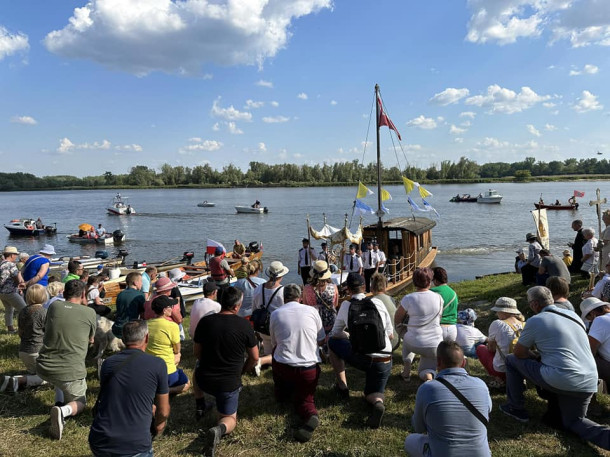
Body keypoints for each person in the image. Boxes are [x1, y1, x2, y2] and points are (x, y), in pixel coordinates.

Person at [501, 286, 610, 450]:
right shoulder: (574, 316)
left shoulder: (536, 320)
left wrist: (535, 357)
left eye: (530, 303)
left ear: (535, 304)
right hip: (588, 380)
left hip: (561, 377)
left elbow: (519, 353)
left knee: (510, 360)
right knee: (575, 421)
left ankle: (516, 408)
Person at [89, 320, 170, 457]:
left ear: (123, 338)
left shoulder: (108, 363)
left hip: (99, 440)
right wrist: (158, 426)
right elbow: (163, 411)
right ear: (147, 337)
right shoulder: (158, 364)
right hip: (135, 446)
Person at [193, 287, 259, 457]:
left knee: (197, 367)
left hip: (203, 379)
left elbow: (197, 352)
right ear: (237, 306)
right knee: (229, 418)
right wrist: (243, 371)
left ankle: (200, 403)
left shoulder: (205, 322)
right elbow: (254, 357)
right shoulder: (244, 325)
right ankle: (220, 429)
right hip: (228, 383)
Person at [328, 273, 394, 428]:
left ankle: (342, 386)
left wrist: (348, 334)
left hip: (363, 358)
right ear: (365, 287)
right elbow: (390, 335)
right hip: (384, 359)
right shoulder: (378, 302)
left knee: (332, 343)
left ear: (348, 290)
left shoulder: (346, 305)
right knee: (372, 394)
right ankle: (377, 402)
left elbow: (334, 333)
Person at [404, 341, 492, 457]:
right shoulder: (481, 385)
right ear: (464, 362)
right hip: (481, 454)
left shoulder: (427, 388)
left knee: (410, 440)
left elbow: (418, 427)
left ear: (438, 362)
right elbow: (487, 411)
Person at [36, 279, 97, 440]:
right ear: (83, 294)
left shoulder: (54, 306)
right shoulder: (89, 313)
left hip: (43, 366)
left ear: (63, 293)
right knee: (81, 402)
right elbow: (92, 339)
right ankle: (63, 411)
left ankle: (59, 402)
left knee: (60, 378)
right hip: (70, 372)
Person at [270, 284, 325, 442]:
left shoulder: (275, 314)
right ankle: (310, 414)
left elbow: (274, 343)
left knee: (275, 354)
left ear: (283, 298)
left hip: (284, 368)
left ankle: (281, 393)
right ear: (300, 297)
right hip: (309, 369)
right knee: (305, 400)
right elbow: (321, 340)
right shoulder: (312, 311)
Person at [395, 267, 443, 382]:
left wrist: (402, 330)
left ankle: (406, 370)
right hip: (434, 344)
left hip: (413, 343)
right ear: (430, 280)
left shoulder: (408, 298)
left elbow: (397, 318)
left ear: (415, 281)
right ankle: (428, 377)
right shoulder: (439, 298)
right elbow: (439, 318)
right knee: (426, 369)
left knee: (406, 336)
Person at [0, 284, 48, 392]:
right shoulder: (44, 312)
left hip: (23, 351)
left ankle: (12, 381)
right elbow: (49, 333)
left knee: (34, 372)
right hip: (38, 351)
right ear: (44, 296)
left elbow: (20, 332)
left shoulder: (22, 312)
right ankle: (18, 380)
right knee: (49, 378)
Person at [475, 297, 525, 388]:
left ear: (504, 312)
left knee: (481, 348)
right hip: (523, 370)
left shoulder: (498, 324)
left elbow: (491, 349)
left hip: (502, 370)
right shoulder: (524, 324)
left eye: (497, 311)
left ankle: (499, 379)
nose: (496, 313)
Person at [145, 295, 190, 395]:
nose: (172, 309)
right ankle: (165, 390)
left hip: (150, 371)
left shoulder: (145, 324)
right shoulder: (172, 326)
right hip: (168, 371)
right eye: (170, 307)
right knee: (187, 384)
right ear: (165, 310)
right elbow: (177, 350)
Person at [252, 261, 289, 372]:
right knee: (280, 351)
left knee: (268, 346)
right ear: (281, 276)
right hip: (277, 326)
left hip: (262, 326)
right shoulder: (283, 291)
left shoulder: (258, 289)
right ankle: (262, 361)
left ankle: (264, 361)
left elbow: (254, 309)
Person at [302, 260, 339, 342]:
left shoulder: (307, 288)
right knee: (330, 342)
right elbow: (335, 304)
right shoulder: (334, 287)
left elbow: (305, 305)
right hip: (330, 319)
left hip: (314, 320)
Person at [582, 297, 610, 386]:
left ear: (592, 313)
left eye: (589, 318)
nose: (590, 321)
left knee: (582, 358)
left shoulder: (600, 320)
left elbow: (589, 351)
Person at [0, 246, 26, 334]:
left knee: (9, 309)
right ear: (11, 255)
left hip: (1, 292)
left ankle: (10, 329)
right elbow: (17, 279)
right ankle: (23, 329)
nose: (16, 256)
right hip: (10, 292)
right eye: (15, 254)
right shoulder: (11, 265)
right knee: (24, 309)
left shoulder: (1, 263)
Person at [112, 272, 145, 339]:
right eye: (141, 281)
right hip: (130, 329)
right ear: (135, 283)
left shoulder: (120, 294)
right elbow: (143, 314)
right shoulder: (139, 295)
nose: (142, 283)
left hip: (117, 327)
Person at [370, 273, 398, 350]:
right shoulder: (392, 299)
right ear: (385, 287)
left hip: (383, 343)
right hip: (396, 340)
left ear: (372, 287)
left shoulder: (371, 302)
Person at [431, 266, 458, 342]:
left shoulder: (432, 292)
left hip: (438, 327)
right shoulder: (453, 293)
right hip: (452, 329)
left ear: (435, 280)